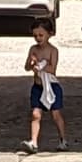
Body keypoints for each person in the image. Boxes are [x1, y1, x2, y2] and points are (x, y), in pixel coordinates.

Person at [23, 10, 67, 154]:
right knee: (36, 114)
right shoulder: (33, 49)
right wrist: (32, 63)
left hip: (51, 86)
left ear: (49, 34)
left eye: (41, 35)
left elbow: (52, 69)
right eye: (35, 35)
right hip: (37, 86)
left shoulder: (53, 51)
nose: (38, 38)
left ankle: (62, 139)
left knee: (56, 114)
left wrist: (40, 66)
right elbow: (26, 67)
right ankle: (34, 142)